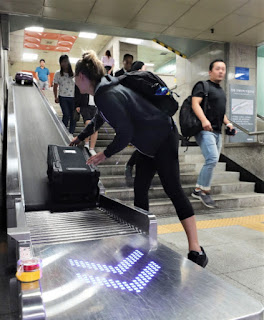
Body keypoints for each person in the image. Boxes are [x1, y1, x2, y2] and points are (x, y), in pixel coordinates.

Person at [70, 50, 208, 268]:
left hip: (163, 138)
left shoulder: (106, 93)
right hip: (148, 145)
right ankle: (142, 238)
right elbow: (99, 119)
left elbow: (125, 133)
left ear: (81, 77)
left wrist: (104, 155)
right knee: (140, 188)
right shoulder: (105, 89)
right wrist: (81, 137)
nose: (75, 83)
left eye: (75, 78)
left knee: (173, 189)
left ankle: (196, 249)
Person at [191, 59, 236, 208]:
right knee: (211, 158)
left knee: (213, 160)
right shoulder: (202, 86)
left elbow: (220, 112)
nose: (221, 71)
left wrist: (228, 123)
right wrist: (204, 120)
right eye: (218, 69)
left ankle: (197, 189)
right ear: (210, 71)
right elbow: (195, 104)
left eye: (223, 69)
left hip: (217, 131)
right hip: (205, 130)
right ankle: (205, 191)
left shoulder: (221, 91)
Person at [53, 55, 76, 134]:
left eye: (65, 61)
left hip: (73, 98)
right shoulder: (58, 74)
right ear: (60, 63)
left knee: (73, 117)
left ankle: (71, 133)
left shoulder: (73, 74)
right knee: (66, 114)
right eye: (62, 62)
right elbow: (55, 86)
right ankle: (63, 132)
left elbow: (78, 86)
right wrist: (55, 97)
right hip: (63, 97)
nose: (64, 64)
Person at [75, 85, 98, 156]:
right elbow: (77, 91)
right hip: (85, 105)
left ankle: (92, 148)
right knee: (88, 123)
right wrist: (77, 105)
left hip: (96, 106)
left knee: (96, 127)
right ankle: (87, 143)